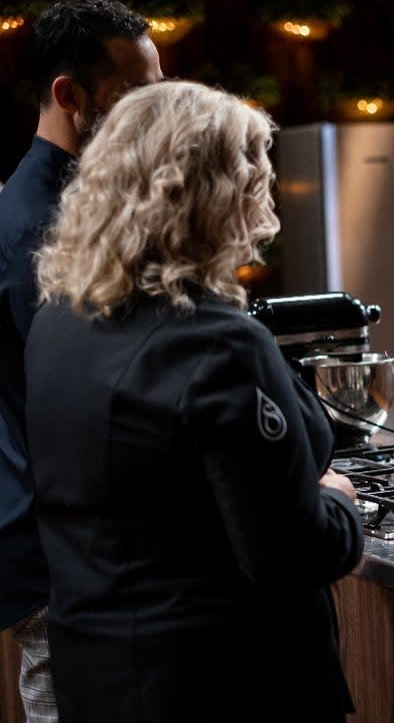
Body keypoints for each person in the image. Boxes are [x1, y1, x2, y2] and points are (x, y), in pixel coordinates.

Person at [23, 79, 364, 722]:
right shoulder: (219, 344)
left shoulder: (58, 324)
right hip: (221, 685)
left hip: (99, 678)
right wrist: (339, 505)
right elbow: (289, 553)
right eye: (254, 177)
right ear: (217, 195)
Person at [0, 0, 162, 723]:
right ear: (70, 95)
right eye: (138, 92)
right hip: (62, 555)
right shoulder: (45, 227)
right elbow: (89, 403)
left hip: (67, 546)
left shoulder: (57, 202)